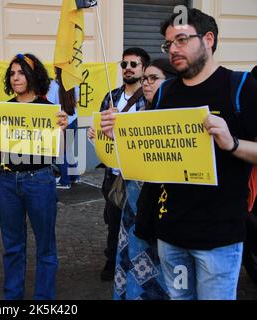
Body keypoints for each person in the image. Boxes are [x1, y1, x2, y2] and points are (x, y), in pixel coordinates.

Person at [101, 8, 257, 300]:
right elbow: (152, 155)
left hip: (219, 237)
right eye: (168, 44)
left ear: (208, 39)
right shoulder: (165, 93)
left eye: (181, 40)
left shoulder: (241, 87)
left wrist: (232, 143)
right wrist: (120, 136)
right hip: (170, 234)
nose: (173, 49)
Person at [0, 53, 68, 300]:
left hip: (39, 180)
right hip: (6, 180)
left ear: (33, 75)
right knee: (12, 246)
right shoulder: (2, 109)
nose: (16, 77)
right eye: (12, 73)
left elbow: (58, 153)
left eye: (21, 72)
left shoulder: (48, 110)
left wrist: (61, 130)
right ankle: (12, 298)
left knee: (45, 246)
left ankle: (44, 300)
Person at [112, 59, 177, 300]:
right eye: (144, 79)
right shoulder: (136, 116)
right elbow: (118, 160)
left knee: (162, 267)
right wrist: (106, 137)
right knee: (134, 260)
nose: (146, 84)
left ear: (170, 82)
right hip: (134, 204)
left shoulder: (182, 118)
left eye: (153, 79)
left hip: (165, 205)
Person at [98, 47, 150, 281]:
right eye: (124, 64)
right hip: (114, 173)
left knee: (138, 221)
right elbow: (100, 128)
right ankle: (112, 261)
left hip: (138, 174)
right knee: (113, 220)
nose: (127, 68)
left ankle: (136, 264)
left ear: (143, 69)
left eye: (133, 64)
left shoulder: (150, 99)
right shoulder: (110, 97)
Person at [47, 67, 80, 189]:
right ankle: (74, 177)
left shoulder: (54, 86)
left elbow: (50, 104)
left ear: (57, 72)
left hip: (61, 122)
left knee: (61, 152)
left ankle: (65, 181)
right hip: (74, 120)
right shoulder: (74, 85)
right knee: (68, 150)